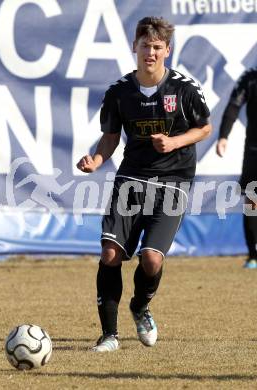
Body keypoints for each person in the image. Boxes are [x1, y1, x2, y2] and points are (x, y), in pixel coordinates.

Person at [77, 16, 212, 352]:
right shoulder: (119, 92)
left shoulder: (184, 89)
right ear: (134, 47)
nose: (150, 52)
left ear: (167, 50)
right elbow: (109, 138)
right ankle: (109, 336)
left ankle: (140, 307)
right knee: (110, 253)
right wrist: (96, 160)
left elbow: (204, 128)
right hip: (131, 179)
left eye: (156, 47)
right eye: (144, 46)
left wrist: (174, 142)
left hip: (172, 182)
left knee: (151, 259)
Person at [216, 67, 257, 269]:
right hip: (254, 150)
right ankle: (253, 255)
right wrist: (223, 135)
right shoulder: (250, 78)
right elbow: (234, 105)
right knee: (252, 202)